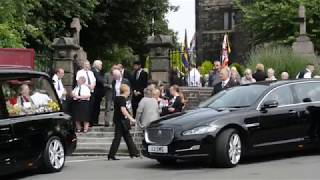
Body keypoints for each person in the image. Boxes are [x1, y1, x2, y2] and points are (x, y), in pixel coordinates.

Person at [108, 84, 139, 160]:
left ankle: (134, 153)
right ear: (126, 91)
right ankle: (111, 155)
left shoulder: (117, 98)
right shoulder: (122, 99)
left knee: (127, 137)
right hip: (121, 120)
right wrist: (131, 119)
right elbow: (123, 110)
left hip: (118, 119)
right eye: (128, 91)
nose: (129, 93)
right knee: (118, 138)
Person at [76, 60, 96, 125]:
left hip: (91, 91)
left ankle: (89, 122)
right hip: (83, 92)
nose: (87, 66)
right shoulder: (80, 72)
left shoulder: (91, 73)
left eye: (88, 64)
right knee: (84, 109)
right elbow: (78, 81)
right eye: (86, 64)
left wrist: (92, 86)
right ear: (83, 65)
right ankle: (82, 123)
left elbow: (94, 81)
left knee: (91, 107)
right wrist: (88, 86)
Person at [91, 60, 106, 126]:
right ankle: (94, 121)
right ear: (96, 65)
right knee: (95, 107)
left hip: (98, 93)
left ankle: (95, 121)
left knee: (97, 108)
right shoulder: (94, 71)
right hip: (96, 93)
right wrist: (104, 82)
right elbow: (99, 80)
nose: (101, 66)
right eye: (100, 65)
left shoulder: (98, 72)